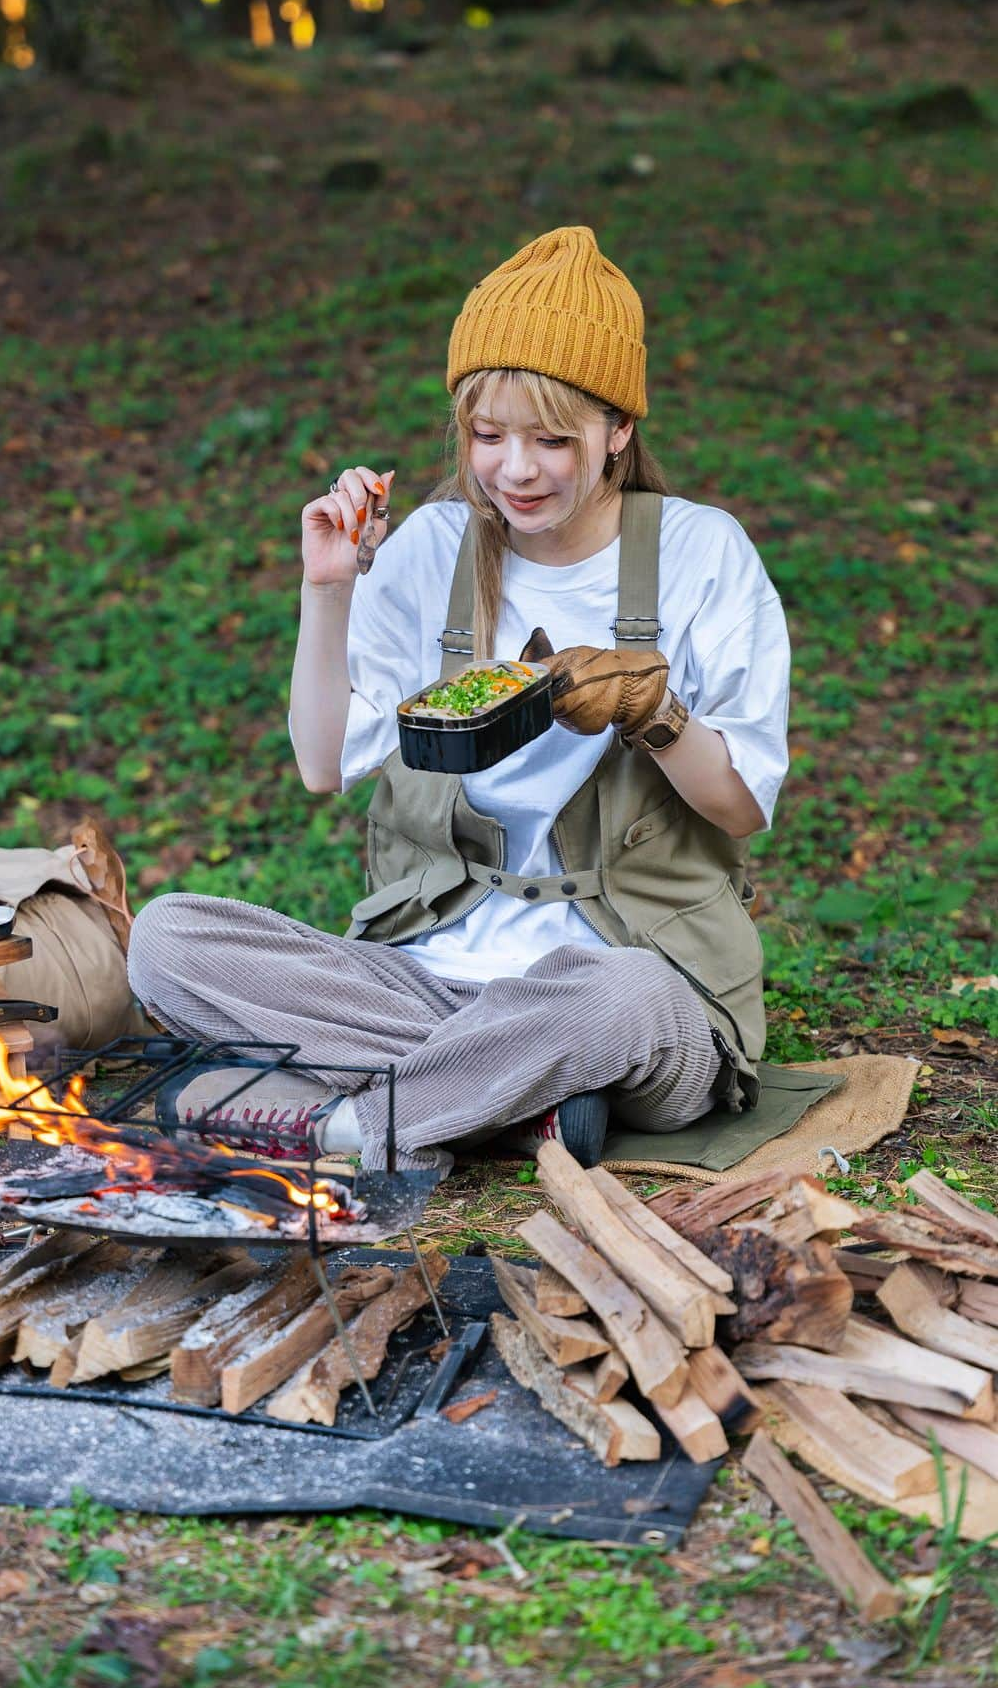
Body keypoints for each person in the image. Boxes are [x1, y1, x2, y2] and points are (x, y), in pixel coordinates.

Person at [128, 226, 790, 1175]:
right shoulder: (433, 548)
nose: (516, 469)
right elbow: (324, 766)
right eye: (488, 436)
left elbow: (742, 806)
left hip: (631, 981)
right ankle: (518, 1104)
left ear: (620, 431)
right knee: (168, 939)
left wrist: (659, 716)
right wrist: (329, 586)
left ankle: (354, 1125)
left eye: (554, 439)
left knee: (619, 1000)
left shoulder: (700, 552)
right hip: (426, 981)